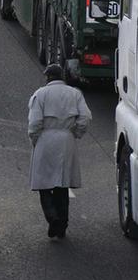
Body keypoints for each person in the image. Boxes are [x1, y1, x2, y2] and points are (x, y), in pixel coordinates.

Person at [28, 63, 92, 239]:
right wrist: (75, 133)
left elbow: (34, 123)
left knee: (43, 184)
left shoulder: (40, 94)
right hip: (66, 139)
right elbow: (85, 117)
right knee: (62, 184)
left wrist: (35, 139)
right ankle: (62, 224)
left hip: (45, 139)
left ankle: (52, 218)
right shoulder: (74, 93)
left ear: (47, 77)